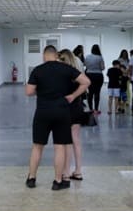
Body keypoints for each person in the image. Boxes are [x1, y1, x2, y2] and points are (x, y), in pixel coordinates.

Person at [25, 45, 89, 190]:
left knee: (37, 146)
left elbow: (29, 91)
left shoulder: (38, 70)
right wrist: (73, 95)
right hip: (62, 112)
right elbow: (86, 82)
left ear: (44, 55)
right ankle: (58, 181)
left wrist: (41, 91)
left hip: (42, 112)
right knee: (59, 147)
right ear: (56, 55)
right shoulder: (67, 69)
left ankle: (31, 178)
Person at [59, 49, 89, 182]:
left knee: (67, 142)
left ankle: (65, 172)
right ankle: (78, 171)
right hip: (77, 108)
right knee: (76, 140)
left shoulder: (63, 75)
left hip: (66, 109)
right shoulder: (77, 74)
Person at [83, 44, 105, 115]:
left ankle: (91, 109)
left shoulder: (87, 57)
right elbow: (102, 68)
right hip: (98, 76)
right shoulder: (100, 57)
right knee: (97, 93)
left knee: (90, 92)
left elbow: (85, 65)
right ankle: (96, 109)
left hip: (89, 75)